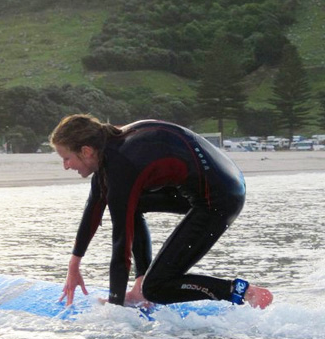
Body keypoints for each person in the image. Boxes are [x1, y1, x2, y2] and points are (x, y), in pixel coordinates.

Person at [50, 114, 273, 309]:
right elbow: (94, 208)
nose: (66, 166)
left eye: (66, 158)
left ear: (86, 151)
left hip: (220, 199)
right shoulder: (111, 150)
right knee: (133, 206)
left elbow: (121, 245)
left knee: (157, 288)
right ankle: (140, 286)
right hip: (219, 183)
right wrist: (74, 265)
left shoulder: (120, 165)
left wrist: (115, 305)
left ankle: (244, 292)